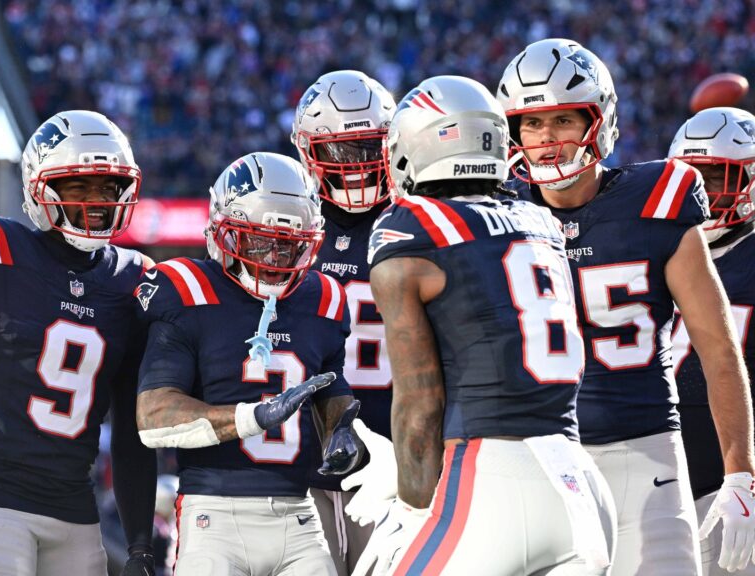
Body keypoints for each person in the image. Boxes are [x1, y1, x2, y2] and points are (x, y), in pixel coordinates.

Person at [497, 38, 755, 575]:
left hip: (646, 454)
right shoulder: (498, 216)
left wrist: (739, 475)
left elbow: (718, 347)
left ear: (599, 121)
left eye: (563, 120)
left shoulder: (657, 200)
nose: (547, 139)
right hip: (537, 462)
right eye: (532, 123)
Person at [355, 74, 615, 575]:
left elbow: (419, 405)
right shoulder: (540, 222)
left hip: (492, 479)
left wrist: (410, 511)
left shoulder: (411, 228)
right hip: (580, 483)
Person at [0, 110, 157, 576]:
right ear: (41, 189)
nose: (97, 201)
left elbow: (131, 429)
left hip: (75, 506)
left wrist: (140, 544)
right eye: (78, 187)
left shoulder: (132, 279)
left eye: (108, 187)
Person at [135, 151, 363, 576]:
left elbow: (330, 387)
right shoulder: (187, 289)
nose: (274, 260)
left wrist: (341, 430)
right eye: (260, 242)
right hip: (214, 514)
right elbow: (153, 417)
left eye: (288, 245)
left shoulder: (325, 298)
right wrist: (253, 417)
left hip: (300, 515)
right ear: (222, 230)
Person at [290, 69, 396, 574]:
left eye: (368, 148)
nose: (355, 166)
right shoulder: (290, 228)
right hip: (302, 467)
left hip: (396, 465)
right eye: (339, 151)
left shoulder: (415, 222)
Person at [669, 107, 755, 576]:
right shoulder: (659, 248)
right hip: (660, 478)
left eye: (718, 178)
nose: (703, 193)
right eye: (692, 178)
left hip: (732, 482)